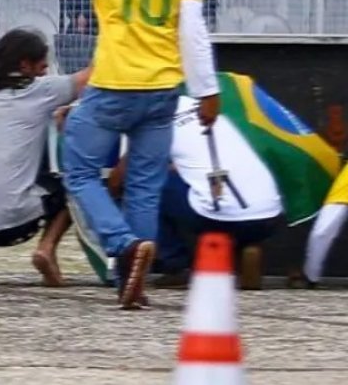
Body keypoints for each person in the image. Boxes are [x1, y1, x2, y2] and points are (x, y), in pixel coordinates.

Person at [34, 0, 219, 309]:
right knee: (144, 186)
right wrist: (208, 92)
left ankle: (122, 245)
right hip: (164, 90)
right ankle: (130, 282)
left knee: (77, 169)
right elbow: (192, 32)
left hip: (115, 84)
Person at [0, 29, 89, 286]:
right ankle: (47, 248)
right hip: (13, 223)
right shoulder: (40, 91)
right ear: (25, 65)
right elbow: (92, 77)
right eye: (43, 66)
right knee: (78, 183)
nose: (46, 71)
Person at [107, 92, 282, 290]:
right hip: (270, 217)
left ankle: (176, 266)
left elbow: (119, 179)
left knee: (145, 183)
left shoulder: (154, 120)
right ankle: (245, 249)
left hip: (217, 217)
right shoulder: (209, 109)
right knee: (207, 186)